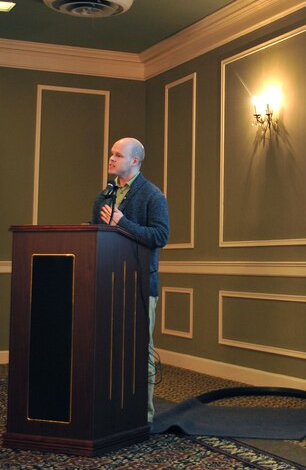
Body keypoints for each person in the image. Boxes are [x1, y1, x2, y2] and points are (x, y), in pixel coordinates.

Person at [90, 137, 169, 423]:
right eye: (111, 153)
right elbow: (92, 234)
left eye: (118, 155)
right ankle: (110, 409)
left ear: (134, 161)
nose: (111, 158)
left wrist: (122, 222)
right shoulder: (105, 195)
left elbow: (160, 236)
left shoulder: (152, 195)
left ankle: (141, 416)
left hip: (137, 285)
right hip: (105, 283)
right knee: (106, 348)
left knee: (139, 351)